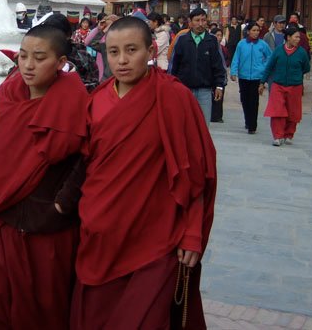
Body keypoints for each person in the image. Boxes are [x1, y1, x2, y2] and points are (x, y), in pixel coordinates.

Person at [71, 17, 217, 330]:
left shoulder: (174, 98)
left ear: (150, 50)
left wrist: (192, 233)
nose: (121, 60)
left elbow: (195, 173)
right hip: (100, 231)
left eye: (131, 50)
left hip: (154, 235)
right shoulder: (96, 100)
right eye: (113, 52)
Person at [0, 24, 89, 329]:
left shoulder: (73, 98)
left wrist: (62, 205)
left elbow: (86, 159)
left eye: (40, 58)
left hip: (47, 226)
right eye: (23, 56)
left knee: (42, 311)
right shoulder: (9, 94)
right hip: (4, 219)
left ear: (60, 63)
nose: (28, 65)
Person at [169, 8, 226, 123]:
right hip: (184, 89)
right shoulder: (182, 40)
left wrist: (219, 85)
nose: (200, 24)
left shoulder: (212, 41)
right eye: (197, 20)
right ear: (190, 22)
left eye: (203, 20)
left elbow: (219, 65)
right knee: (185, 123)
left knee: (203, 124)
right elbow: (174, 65)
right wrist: (171, 85)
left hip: (205, 90)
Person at [259, 26, 311, 146]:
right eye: (296, 37)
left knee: (293, 112)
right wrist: (262, 82)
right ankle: (278, 136)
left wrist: (296, 76)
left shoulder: (301, 52)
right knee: (277, 111)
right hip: (278, 85)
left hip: (295, 86)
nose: (298, 39)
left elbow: (306, 68)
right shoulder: (278, 51)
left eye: (299, 37)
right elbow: (269, 67)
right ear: (288, 37)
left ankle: (288, 134)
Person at [230, 24, 272, 134]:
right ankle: (247, 120)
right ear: (248, 31)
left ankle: (252, 125)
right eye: (254, 30)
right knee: (244, 100)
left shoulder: (263, 44)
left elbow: (270, 57)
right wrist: (233, 71)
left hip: (257, 77)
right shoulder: (241, 44)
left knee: (254, 101)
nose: (256, 32)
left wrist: (263, 68)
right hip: (243, 76)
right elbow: (236, 58)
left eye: (258, 30)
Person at [84, 13, 118, 81]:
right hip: (102, 73)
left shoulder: (117, 39)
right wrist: (99, 29)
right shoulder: (101, 34)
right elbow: (88, 43)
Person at [210, 28, 229, 123]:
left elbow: (224, 62)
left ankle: (217, 116)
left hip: (220, 74)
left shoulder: (223, 48)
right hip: (210, 75)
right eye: (217, 35)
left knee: (219, 95)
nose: (220, 37)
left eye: (221, 35)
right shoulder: (210, 46)